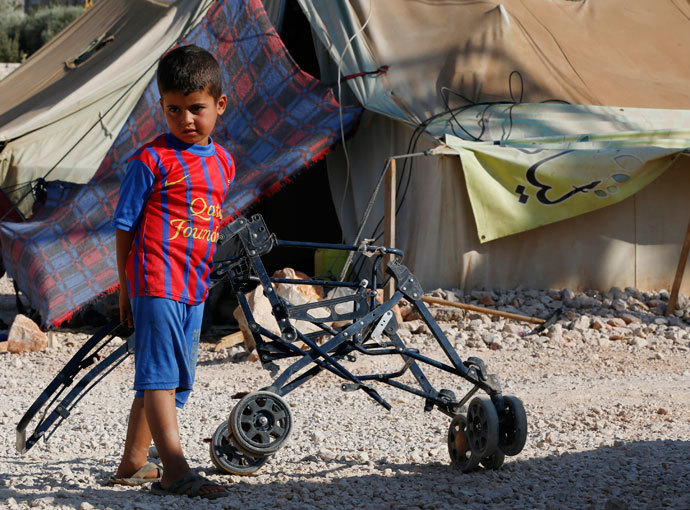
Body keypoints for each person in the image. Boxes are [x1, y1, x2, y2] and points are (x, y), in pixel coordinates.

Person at [109, 44, 234, 500]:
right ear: (161, 106)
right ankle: (175, 470)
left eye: (196, 109)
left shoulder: (223, 164)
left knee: (171, 375)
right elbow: (124, 226)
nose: (186, 119)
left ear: (219, 105)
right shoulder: (151, 161)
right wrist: (127, 287)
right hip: (155, 280)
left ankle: (132, 463)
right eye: (174, 109)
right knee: (160, 374)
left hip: (194, 285)